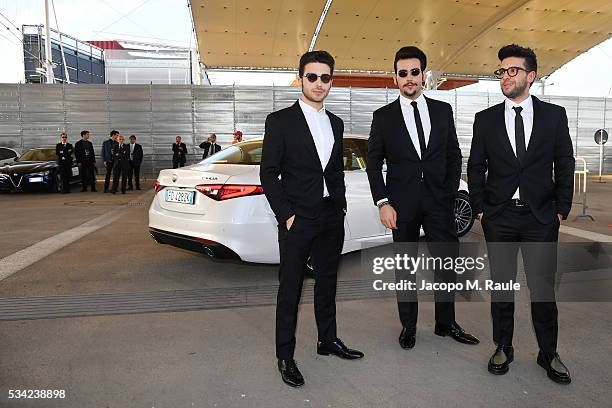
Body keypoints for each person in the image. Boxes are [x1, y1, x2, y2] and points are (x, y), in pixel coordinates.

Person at [467, 44, 574, 384]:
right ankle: (503, 346)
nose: (505, 76)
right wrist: (482, 209)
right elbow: (475, 167)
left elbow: (565, 162)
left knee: (543, 289)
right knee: (501, 287)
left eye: (512, 70)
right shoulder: (485, 120)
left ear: (531, 76)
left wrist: (561, 208)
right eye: (501, 70)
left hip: (540, 218)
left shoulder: (553, 116)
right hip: (500, 217)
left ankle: (548, 352)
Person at [260, 50, 364, 388]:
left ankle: (327, 340)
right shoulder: (279, 121)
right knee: (290, 288)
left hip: (330, 215)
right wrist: (287, 215)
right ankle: (285, 355)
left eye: (325, 78)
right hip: (298, 219)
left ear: (331, 81)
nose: (319, 83)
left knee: (328, 282)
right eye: (312, 77)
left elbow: (333, 170)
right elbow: (268, 174)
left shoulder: (335, 122)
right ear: (300, 79)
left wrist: (341, 205)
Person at [366, 46, 479, 351]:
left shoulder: (443, 111)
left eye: (415, 72)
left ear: (424, 75)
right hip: (401, 206)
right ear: (395, 78)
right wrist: (382, 202)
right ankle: (409, 325)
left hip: (439, 202)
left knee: (446, 262)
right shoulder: (383, 117)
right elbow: (373, 163)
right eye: (402, 73)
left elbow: (454, 154)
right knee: (405, 267)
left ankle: (446, 323)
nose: (409, 78)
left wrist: (449, 191)